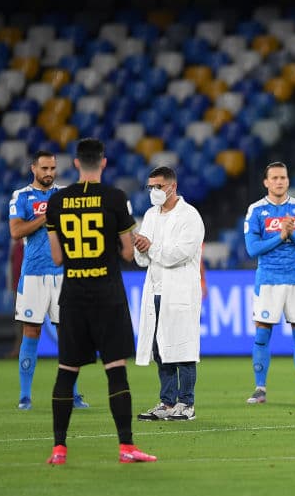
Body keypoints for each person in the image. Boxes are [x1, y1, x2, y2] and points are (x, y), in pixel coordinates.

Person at [43, 137, 156, 464]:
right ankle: (126, 447)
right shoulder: (115, 198)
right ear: (103, 162)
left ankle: (59, 449)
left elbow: (56, 258)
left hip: (74, 296)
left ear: (76, 163)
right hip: (107, 295)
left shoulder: (57, 201)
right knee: (115, 371)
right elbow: (127, 253)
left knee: (66, 372)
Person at [8, 150, 88, 410]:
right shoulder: (21, 196)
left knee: (68, 334)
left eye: (52, 168)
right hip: (33, 274)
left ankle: (73, 394)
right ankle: (25, 396)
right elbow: (16, 231)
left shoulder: (65, 195)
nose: (49, 173)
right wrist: (46, 217)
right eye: (44, 168)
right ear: (33, 168)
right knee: (31, 331)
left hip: (63, 274)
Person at [243, 162, 295, 404]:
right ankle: (260, 389)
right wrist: (281, 236)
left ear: (288, 181)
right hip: (268, 280)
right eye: (275, 178)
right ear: (266, 182)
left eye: (283, 177)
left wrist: (293, 233)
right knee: (262, 335)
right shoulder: (256, 210)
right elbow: (252, 249)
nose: (279, 181)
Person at [133, 166, 205, 422]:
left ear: (172, 187)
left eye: (158, 186)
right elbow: (142, 260)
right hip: (155, 290)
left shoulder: (190, 216)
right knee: (160, 349)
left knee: (183, 348)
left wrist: (150, 247)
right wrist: (141, 248)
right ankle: (167, 402)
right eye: (150, 186)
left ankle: (186, 403)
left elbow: (179, 254)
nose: (153, 191)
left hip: (180, 292)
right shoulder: (150, 215)